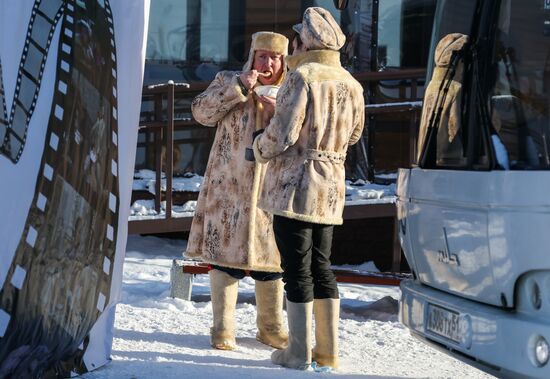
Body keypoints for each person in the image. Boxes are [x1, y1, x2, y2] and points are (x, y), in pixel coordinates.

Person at [252, 7, 365, 370]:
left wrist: (258, 148)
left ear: (307, 42)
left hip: (294, 185)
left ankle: (298, 353)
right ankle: (328, 352)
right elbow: (355, 134)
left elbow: (282, 134)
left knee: (296, 269)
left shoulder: (301, 77)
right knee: (322, 265)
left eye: (298, 37)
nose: (295, 42)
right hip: (330, 187)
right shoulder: (351, 82)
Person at [185, 32, 289, 351]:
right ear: (251, 57)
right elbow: (201, 112)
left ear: (283, 61)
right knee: (225, 255)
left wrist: (279, 114)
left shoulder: (292, 89)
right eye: (262, 56)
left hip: (274, 188)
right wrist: (238, 88)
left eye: (274, 57)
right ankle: (222, 327)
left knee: (272, 259)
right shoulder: (228, 80)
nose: (267, 63)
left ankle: (270, 327)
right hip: (228, 186)